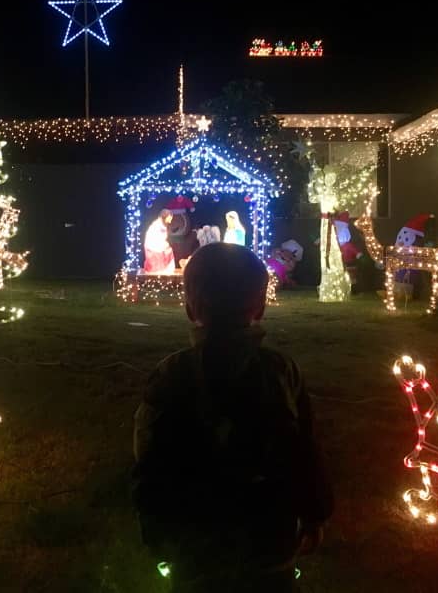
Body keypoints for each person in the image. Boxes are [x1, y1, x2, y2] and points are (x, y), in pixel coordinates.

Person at [132, 243, 333, 592]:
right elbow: (304, 447)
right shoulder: (280, 371)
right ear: (261, 305)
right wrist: (314, 512)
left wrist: (156, 529)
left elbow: (149, 454)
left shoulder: (171, 374)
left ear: (189, 307)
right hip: (271, 535)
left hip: (196, 539)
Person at [144, 209, 177, 274]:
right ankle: (161, 271)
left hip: (157, 244)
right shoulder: (157, 225)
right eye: (169, 218)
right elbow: (155, 238)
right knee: (168, 251)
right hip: (153, 246)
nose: (170, 221)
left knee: (169, 250)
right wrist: (164, 244)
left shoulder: (162, 225)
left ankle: (165, 270)